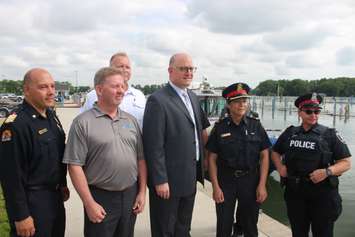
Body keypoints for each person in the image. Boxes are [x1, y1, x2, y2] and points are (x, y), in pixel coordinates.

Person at [63, 67, 147, 237]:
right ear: (99, 90)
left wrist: (142, 192)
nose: (121, 91)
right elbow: (74, 166)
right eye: (115, 86)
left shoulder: (130, 121)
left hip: (130, 196)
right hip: (100, 198)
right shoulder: (82, 123)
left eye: (123, 86)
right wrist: (89, 203)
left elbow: (140, 159)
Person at [143, 53, 210, 237]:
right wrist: (160, 180)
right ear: (170, 71)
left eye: (191, 69)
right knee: (165, 229)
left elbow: (200, 132)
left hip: (189, 177)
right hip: (168, 182)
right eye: (183, 68)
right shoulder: (158, 100)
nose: (188, 72)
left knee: (183, 228)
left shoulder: (193, 98)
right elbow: (153, 144)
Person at [0, 68, 69, 237]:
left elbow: (55, 155)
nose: (51, 91)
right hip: (32, 202)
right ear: (27, 90)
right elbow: (11, 175)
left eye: (52, 86)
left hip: (55, 198)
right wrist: (21, 215)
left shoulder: (51, 116)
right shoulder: (16, 125)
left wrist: (63, 184)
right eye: (43, 87)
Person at [271, 93, 352, 237]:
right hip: (295, 193)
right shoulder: (290, 133)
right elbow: (275, 152)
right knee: (298, 232)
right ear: (300, 112)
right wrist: (280, 167)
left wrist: (327, 171)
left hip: (322, 195)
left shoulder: (330, 135)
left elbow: (346, 163)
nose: (313, 114)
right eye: (309, 111)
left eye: (317, 111)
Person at [206, 83, 270, 237]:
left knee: (250, 224)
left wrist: (262, 185)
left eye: (244, 101)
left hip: (250, 180)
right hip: (226, 181)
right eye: (237, 101)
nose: (242, 104)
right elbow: (212, 159)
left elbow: (265, 156)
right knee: (224, 224)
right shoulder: (220, 128)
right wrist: (215, 186)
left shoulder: (256, 126)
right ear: (228, 105)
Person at [80, 52, 146, 128]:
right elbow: (83, 123)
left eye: (127, 67)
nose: (125, 70)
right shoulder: (93, 95)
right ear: (110, 69)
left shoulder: (139, 96)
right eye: (120, 66)